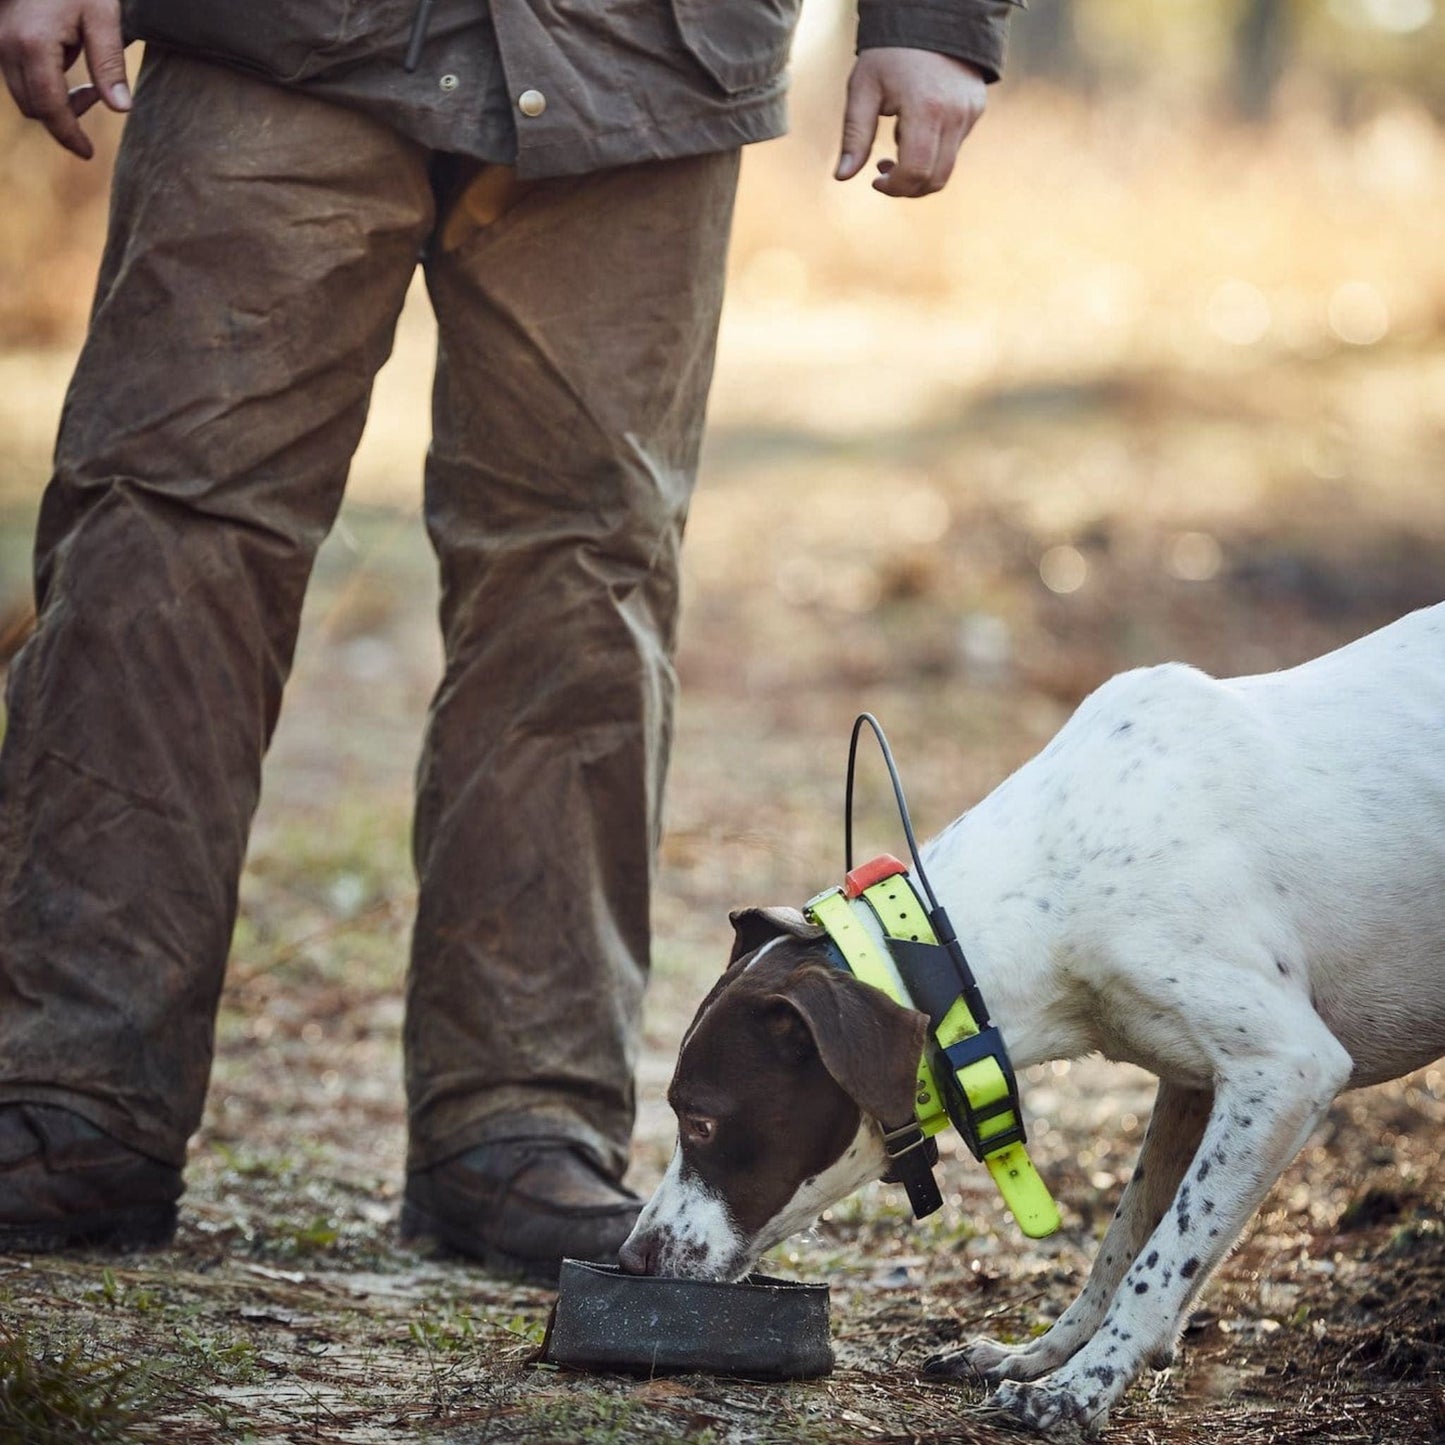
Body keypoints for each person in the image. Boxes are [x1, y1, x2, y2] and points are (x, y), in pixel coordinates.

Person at [0, 0, 1019, 1285]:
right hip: (268, 34)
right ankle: (73, 1088)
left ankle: (518, 1120)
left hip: (640, 57)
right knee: (160, 531)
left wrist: (930, 16)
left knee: (579, 576)